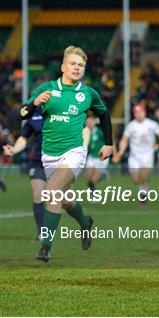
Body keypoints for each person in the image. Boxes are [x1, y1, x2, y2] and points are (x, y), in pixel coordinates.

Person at [19, 45, 113, 262]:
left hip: (74, 153)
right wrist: (34, 103)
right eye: (73, 63)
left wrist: (109, 143)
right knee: (65, 199)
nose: (77, 68)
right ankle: (85, 222)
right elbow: (23, 113)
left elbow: (104, 114)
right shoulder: (48, 89)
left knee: (51, 191)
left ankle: (46, 247)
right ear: (63, 67)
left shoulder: (87, 93)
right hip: (49, 155)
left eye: (81, 65)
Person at [113, 104, 159, 209]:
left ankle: (143, 202)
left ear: (144, 112)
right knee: (136, 180)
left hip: (147, 156)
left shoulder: (152, 124)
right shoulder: (131, 126)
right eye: (136, 112)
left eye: (140, 112)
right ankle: (144, 187)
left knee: (143, 176)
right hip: (134, 157)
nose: (138, 114)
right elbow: (124, 140)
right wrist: (120, 153)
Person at [3, 108, 46, 240]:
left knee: (65, 201)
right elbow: (24, 138)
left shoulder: (63, 113)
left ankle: (84, 222)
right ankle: (42, 233)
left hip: (59, 162)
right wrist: (14, 150)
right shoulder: (34, 118)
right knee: (37, 195)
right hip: (38, 162)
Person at [85, 116, 110, 191]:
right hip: (92, 156)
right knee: (88, 177)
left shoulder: (99, 132)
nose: (89, 124)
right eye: (87, 123)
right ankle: (93, 192)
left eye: (90, 122)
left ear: (94, 123)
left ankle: (94, 195)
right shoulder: (85, 133)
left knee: (93, 179)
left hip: (101, 157)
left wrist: (114, 153)